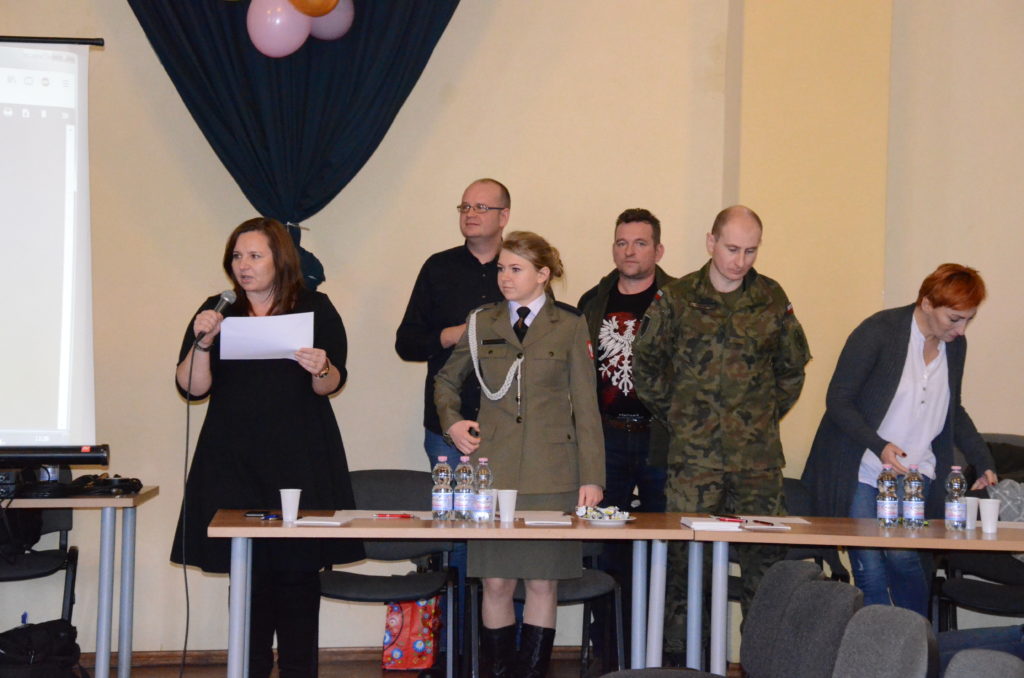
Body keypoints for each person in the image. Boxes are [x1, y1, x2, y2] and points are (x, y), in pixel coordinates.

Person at [172, 217, 363, 678]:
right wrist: (203, 343)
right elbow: (192, 388)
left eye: (255, 256)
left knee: (298, 575)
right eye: (237, 256)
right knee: (248, 575)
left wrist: (321, 367)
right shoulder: (217, 310)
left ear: (280, 259)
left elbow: (332, 383)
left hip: (300, 459)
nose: (244, 265)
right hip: (233, 460)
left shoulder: (314, 308)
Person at [632, 205, 811, 661]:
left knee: (765, 570)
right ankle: (686, 664)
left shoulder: (771, 297)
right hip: (693, 462)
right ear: (711, 243)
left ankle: (764, 663)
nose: (740, 261)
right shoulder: (676, 298)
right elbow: (646, 366)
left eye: (751, 251)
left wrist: (758, 419)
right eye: (732, 249)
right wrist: (682, 417)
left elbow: (791, 370)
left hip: (757, 463)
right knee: (687, 570)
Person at [435, 231, 605, 678]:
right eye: (501, 268)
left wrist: (592, 476)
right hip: (494, 474)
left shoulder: (569, 324)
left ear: (543, 274)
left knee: (542, 583)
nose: (504, 277)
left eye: (516, 269)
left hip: (553, 474)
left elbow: (586, 405)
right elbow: (446, 381)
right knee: (495, 582)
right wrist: (453, 423)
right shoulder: (482, 322)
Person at [801, 263, 997, 616]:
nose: (961, 329)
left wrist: (982, 459)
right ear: (927, 303)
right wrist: (879, 445)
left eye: (968, 320)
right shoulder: (878, 331)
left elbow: (953, 409)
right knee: (870, 566)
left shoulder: (954, 346)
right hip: (862, 467)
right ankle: (876, 647)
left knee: (904, 556)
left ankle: (917, 639)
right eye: (954, 318)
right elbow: (839, 400)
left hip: (916, 472)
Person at [577, 208, 673, 663]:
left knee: (666, 545)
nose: (629, 251)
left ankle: (663, 655)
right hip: (607, 441)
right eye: (621, 242)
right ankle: (609, 653)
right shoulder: (592, 302)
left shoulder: (679, 301)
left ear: (658, 250)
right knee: (606, 550)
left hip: (661, 442)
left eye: (639, 243)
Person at [396, 178, 510, 468]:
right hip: (448, 425)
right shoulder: (438, 267)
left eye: (481, 207)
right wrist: (450, 335)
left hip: (509, 424)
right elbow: (406, 344)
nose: (470, 214)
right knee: (451, 500)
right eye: (465, 207)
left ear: (504, 216)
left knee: (507, 500)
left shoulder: (521, 269)